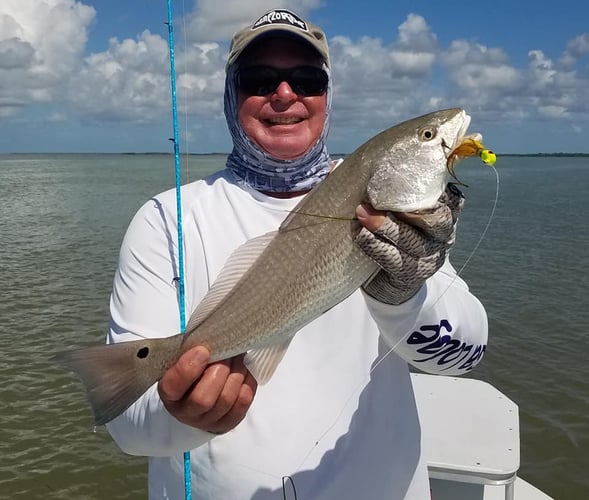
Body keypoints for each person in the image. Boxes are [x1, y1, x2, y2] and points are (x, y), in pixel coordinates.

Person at [106, 8, 488, 500]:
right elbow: (125, 424)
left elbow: (465, 356)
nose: (284, 94)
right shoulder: (164, 219)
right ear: (230, 96)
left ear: (328, 97)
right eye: (259, 78)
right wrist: (179, 414)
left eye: (307, 79)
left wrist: (405, 293)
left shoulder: (400, 219)